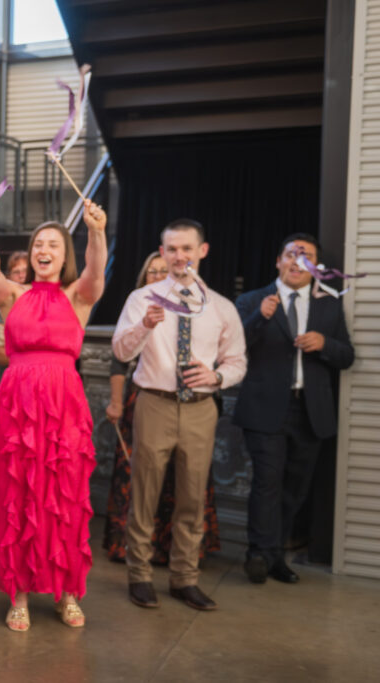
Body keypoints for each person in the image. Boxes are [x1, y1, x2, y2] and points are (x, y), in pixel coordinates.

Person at [0, 200, 108, 630]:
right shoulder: (15, 296)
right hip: (18, 404)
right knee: (18, 495)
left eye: (53, 245)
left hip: (64, 405)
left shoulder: (78, 296)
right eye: (37, 245)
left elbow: (96, 271)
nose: (43, 250)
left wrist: (97, 231)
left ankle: (68, 593)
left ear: (65, 255)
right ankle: (19, 595)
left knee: (64, 496)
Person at [112, 218, 246, 612]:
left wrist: (217, 376)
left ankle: (185, 579)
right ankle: (139, 576)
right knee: (144, 494)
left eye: (187, 248)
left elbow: (237, 361)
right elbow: (121, 352)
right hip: (154, 403)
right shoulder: (142, 299)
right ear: (162, 251)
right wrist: (143, 326)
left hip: (201, 409)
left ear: (202, 251)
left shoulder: (220, 306)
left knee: (192, 497)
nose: (179, 256)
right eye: (171, 249)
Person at [233, 233, 354, 584]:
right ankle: (258, 554)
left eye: (306, 256)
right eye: (291, 254)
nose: (297, 261)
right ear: (279, 261)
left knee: (295, 489)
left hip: (310, 411)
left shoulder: (329, 305)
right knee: (267, 483)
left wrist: (325, 343)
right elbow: (232, 346)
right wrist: (259, 317)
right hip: (265, 409)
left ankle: (275, 556)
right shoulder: (252, 300)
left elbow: (347, 356)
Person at [103, 252, 221, 563]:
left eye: (163, 271)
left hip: (190, 405)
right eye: (152, 272)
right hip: (145, 403)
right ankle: (135, 550)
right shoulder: (137, 309)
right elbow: (119, 361)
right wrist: (116, 402)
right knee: (142, 478)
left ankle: (179, 551)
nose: (158, 276)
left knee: (185, 478)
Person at [0, 250, 28, 395]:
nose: (22, 275)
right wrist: (33, 358)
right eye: (16, 272)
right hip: (9, 381)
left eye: (26, 270)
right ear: (8, 277)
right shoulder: (0, 309)